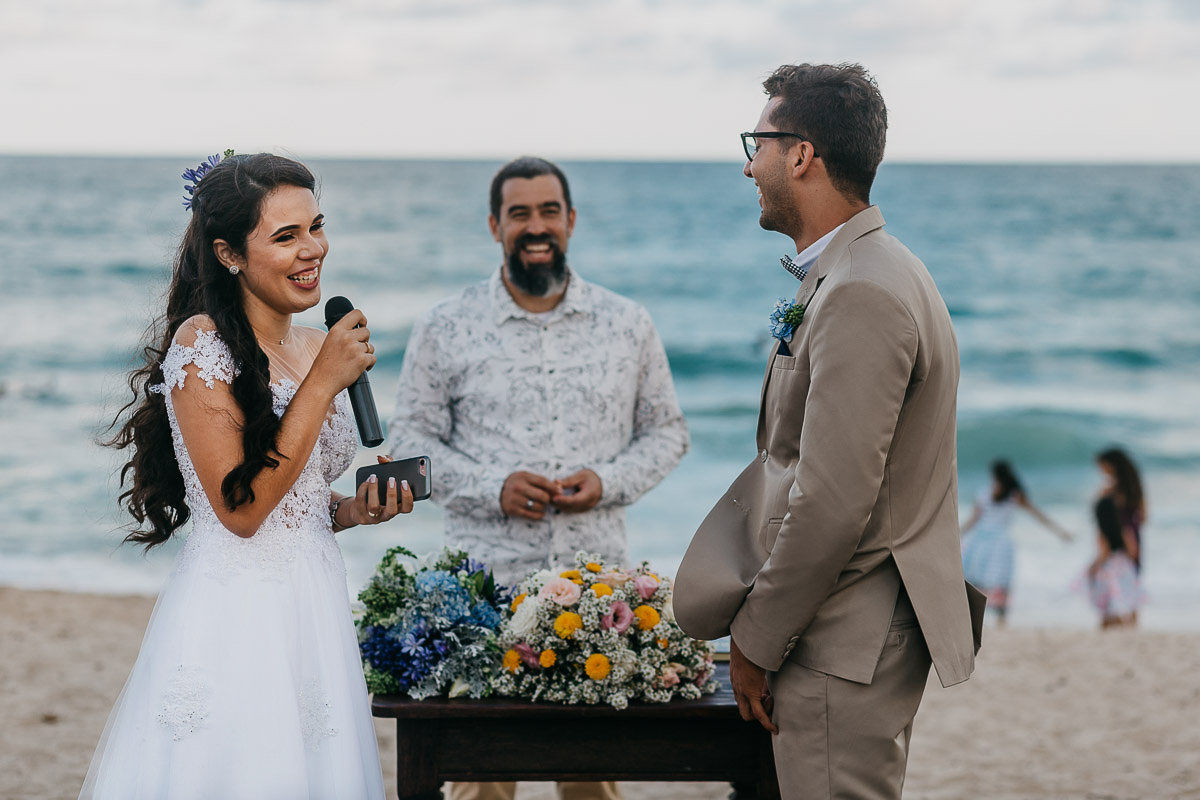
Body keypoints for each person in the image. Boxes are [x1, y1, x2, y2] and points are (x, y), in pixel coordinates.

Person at [674, 64, 983, 799]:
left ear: (802, 154)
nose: (750, 165)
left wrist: (756, 638)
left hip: (845, 636)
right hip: (854, 626)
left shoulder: (863, 290)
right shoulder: (870, 268)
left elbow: (834, 500)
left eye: (759, 143)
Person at [82, 153, 410, 799]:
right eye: (285, 237)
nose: (312, 249)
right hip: (238, 613)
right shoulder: (202, 345)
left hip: (313, 602)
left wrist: (352, 510)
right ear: (229, 253)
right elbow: (242, 511)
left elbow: (298, 497)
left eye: (316, 226)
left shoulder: (317, 344)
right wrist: (323, 386)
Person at [388, 156, 689, 800]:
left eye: (548, 211)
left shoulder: (628, 324)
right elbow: (409, 446)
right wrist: (492, 486)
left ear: (571, 221)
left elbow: (669, 432)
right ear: (494, 225)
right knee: (480, 783)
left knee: (590, 780)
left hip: (596, 598)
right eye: (519, 213)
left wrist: (607, 482)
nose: (535, 226)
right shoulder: (445, 326)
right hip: (482, 600)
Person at [960, 459, 1073, 626]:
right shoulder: (1012, 495)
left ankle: (978, 619)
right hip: (998, 543)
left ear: (994, 475)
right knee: (998, 582)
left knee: (979, 580)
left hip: (982, 542)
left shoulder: (988, 494)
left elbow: (973, 520)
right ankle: (999, 620)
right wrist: (1060, 532)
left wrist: (957, 533)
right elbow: (1038, 515)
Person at [1085, 495, 1142, 628]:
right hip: (1125, 566)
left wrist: (1093, 568)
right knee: (1126, 601)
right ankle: (1128, 622)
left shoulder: (1102, 532)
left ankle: (1111, 620)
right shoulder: (1124, 529)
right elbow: (1133, 551)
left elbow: (1104, 553)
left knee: (1109, 602)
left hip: (1110, 567)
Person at [1096, 447, 1147, 571]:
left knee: (1115, 573)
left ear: (1112, 465)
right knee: (1130, 571)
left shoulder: (1112, 491)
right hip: (1131, 531)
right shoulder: (1133, 484)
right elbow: (1143, 515)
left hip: (1120, 534)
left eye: (1103, 465)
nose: (1101, 469)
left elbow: (1112, 517)